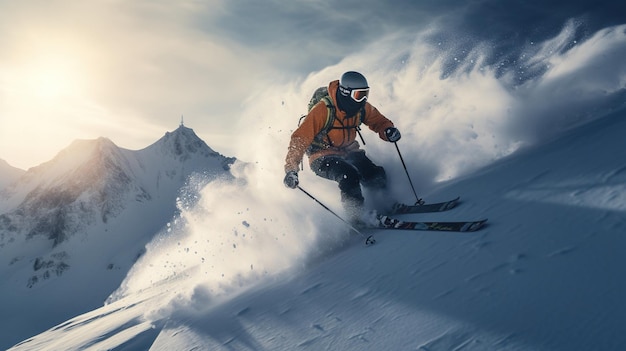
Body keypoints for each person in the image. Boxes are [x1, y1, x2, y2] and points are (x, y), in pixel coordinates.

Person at [283, 71, 401, 225]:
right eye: (359, 95)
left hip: (348, 150)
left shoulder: (361, 108)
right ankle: (357, 215)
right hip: (321, 155)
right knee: (348, 175)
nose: (363, 99)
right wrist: (291, 169)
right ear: (346, 93)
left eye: (366, 94)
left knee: (374, 173)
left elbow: (379, 121)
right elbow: (300, 139)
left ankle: (386, 203)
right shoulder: (323, 110)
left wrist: (387, 130)